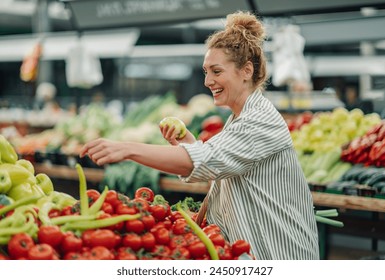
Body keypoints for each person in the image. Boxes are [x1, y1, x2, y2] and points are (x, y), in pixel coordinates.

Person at [80, 11, 320, 260]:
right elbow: (220, 163)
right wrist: (190, 144)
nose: (207, 81)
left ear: (246, 71)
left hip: (282, 254)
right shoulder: (240, 117)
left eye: (216, 71)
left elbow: (204, 162)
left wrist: (127, 149)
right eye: (206, 71)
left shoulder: (259, 120)